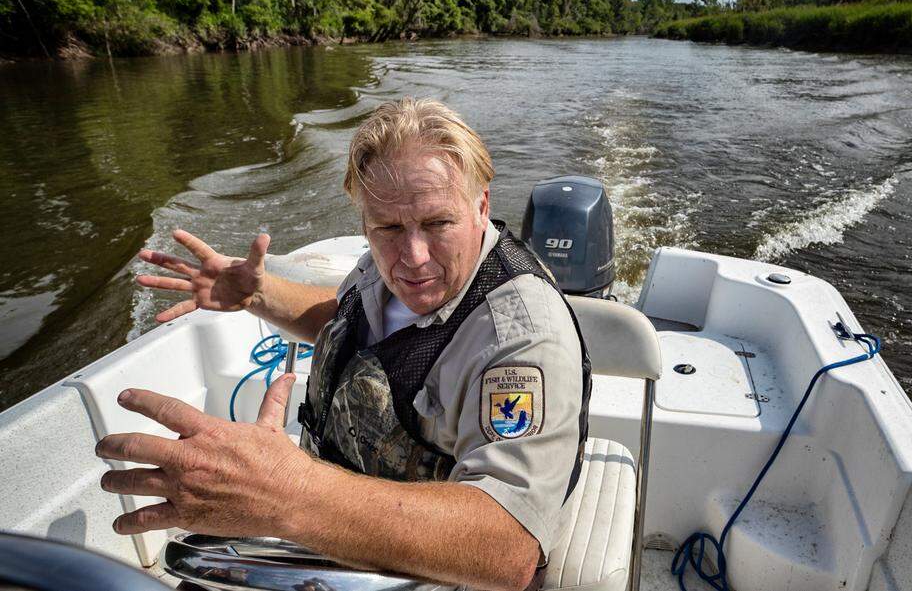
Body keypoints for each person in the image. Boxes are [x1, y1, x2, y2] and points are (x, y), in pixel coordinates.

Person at [96, 98, 591, 591]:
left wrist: (287, 494)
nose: (414, 257)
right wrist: (259, 295)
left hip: (428, 573)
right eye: (389, 228)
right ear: (365, 222)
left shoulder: (523, 336)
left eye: (438, 223)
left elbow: (506, 549)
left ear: (481, 206)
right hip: (327, 529)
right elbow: (350, 323)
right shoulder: (387, 265)